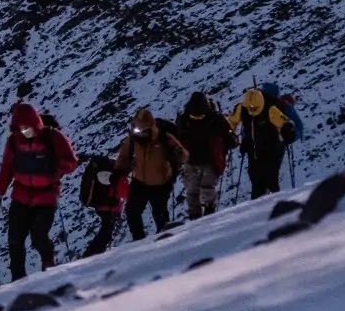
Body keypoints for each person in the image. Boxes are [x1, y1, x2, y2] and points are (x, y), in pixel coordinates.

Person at [0, 102, 78, 280]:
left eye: (26, 127)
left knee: (38, 236)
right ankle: (18, 278)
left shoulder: (53, 138)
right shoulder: (14, 142)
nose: (24, 131)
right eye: (20, 127)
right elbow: (7, 169)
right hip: (21, 195)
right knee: (15, 240)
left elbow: (72, 163)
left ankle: (48, 264)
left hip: (46, 195)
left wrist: (58, 164)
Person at [107, 108, 189, 241]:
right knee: (132, 212)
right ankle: (139, 240)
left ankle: (166, 241)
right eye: (136, 129)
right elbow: (124, 157)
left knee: (160, 215)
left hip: (160, 184)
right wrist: (117, 172)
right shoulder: (133, 140)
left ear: (151, 128)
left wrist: (178, 154)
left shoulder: (165, 138)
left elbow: (184, 156)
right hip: (139, 181)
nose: (138, 133)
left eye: (141, 130)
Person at [175, 92, 233, 219]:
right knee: (192, 191)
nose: (198, 118)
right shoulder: (185, 120)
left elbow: (229, 135)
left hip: (210, 159)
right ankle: (196, 215)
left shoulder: (215, 119)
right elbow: (177, 139)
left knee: (206, 188)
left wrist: (230, 139)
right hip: (192, 160)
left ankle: (208, 213)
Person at [230, 87, 295, 198]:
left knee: (270, 178)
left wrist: (287, 129)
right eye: (249, 108)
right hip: (253, 151)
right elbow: (231, 122)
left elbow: (284, 121)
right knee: (256, 180)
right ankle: (259, 208)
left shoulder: (270, 109)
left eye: (254, 108)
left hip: (271, 149)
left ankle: (273, 204)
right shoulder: (242, 109)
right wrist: (229, 133)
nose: (252, 110)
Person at [78, 150, 130, 256]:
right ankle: (94, 252)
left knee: (106, 229)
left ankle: (94, 251)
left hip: (101, 204)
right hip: (109, 205)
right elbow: (125, 192)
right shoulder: (114, 174)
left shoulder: (105, 169)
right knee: (107, 230)